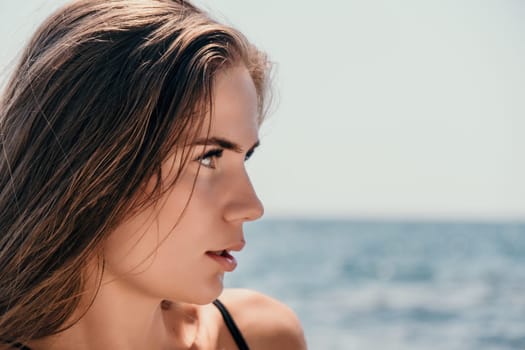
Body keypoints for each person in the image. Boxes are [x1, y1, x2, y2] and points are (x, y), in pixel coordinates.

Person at [0, 0, 307, 349]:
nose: (251, 206)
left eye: (245, 157)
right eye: (208, 157)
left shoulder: (261, 336)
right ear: (94, 166)